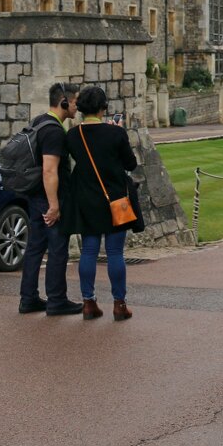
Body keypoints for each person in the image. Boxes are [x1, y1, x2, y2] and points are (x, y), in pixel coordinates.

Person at [65, 85, 139, 321]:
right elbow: (130, 164)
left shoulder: (73, 135)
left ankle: (88, 302)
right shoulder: (115, 133)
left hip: (86, 198)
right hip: (115, 198)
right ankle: (119, 304)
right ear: (102, 108)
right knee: (115, 252)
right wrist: (119, 132)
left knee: (89, 250)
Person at [18, 82, 83, 317]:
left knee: (35, 247)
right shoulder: (54, 131)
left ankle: (28, 298)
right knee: (57, 249)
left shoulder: (38, 121)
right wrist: (54, 205)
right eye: (76, 101)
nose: (78, 106)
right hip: (49, 197)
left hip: (34, 195)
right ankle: (57, 300)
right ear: (64, 102)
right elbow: (49, 170)